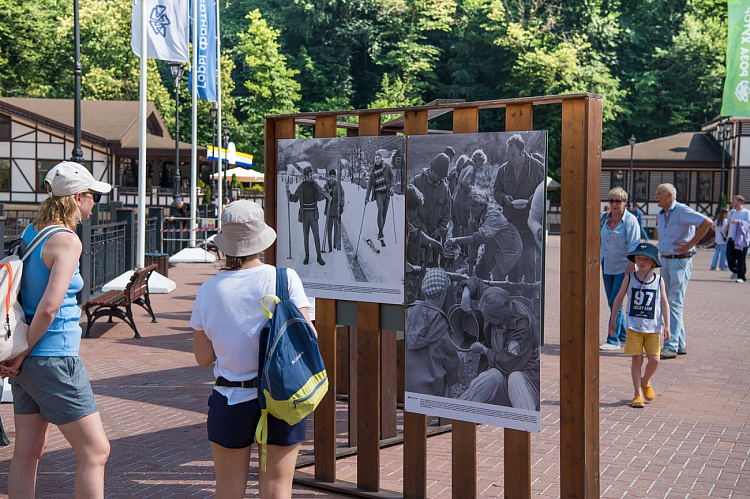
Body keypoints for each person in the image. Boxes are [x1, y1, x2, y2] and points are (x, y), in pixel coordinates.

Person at [0, 161, 111, 497]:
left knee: (28, 451)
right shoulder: (67, 240)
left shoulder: (32, 232)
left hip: (27, 358)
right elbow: (49, 308)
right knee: (95, 452)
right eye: (94, 197)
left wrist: (19, 357)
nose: (94, 203)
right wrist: (23, 356)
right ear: (78, 197)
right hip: (52, 356)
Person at [191, 200, 314, 498]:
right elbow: (309, 337)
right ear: (260, 238)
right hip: (282, 398)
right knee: (277, 490)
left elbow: (203, 358)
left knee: (229, 490)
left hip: (230, 397)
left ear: (225, 244)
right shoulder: (285, 279)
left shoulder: (209, 290)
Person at [608, 243, 670, 408]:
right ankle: (637, 394)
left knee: (655, 360)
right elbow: (619, 299)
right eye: (639, 258)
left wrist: (667, 325)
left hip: (653, 328)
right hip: (633, 327)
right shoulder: (629, 278)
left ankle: (645, 381)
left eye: (646, 259)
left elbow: (664, 303)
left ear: (654, 263)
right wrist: (613, 320)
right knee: (637, 359)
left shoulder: (659, 281)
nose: (642, 262)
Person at [458, 287, 540, 411]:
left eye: (487, 317)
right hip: (502, 379)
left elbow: (509, 362)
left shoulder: (522, 326)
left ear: (499, 318)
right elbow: (478, 283)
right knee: (492, 375)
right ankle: (460, 411)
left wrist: (483, 350)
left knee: (515, 378)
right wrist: (466, 293)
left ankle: (524, 423)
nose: (485, 319)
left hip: (525, 382)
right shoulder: (498, 299)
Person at [655, 183, 712, 359]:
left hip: (680, 263)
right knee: (669, 302)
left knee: (674, 302)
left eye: (659, 194)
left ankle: (671, 346)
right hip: (666, 262)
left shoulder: (681, 210)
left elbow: (707, 222)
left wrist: (690, 244)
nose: (655, 196)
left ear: (669, 196)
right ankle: (680, 343)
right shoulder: (661, 213)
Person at [493, 134, 545, 282]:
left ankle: (529, 295)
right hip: (510, 224)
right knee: (511, 262)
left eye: (514, 155)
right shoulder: (503, 170)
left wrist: (534, 198)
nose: (510, 159)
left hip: (529, 223)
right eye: (508, 155)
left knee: (529, 262)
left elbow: (545, 190)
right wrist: (504, 198)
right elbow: (496, 190)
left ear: (523, 151)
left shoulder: (536, 167)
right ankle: (512, 294)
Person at [405, 268, 460, 397]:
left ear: (423, 291)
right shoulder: (442, 328)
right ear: (443, 294)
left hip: (403, 386)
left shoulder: (406, 314)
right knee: (447, 384)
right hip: (430, 394)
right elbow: (453, 372)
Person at [446, 189, 521, 281]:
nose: (471, 209)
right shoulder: (473, 217)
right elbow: (473, 245)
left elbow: (481, 237)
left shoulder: (493, 214)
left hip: (509, 245)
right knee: (480, 270)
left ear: (483, 205)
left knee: (499, 276)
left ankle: (505, 291)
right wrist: (469, 274)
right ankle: (487, 289)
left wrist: (457, 240)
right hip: (493, 245)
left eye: (474, 206)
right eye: (469, 205)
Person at [599, 187, 640, 351]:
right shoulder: (603, 218)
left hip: (624, 267)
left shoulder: (630, 221)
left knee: (616, 300)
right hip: (606, 264)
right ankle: (623, 335)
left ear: (625, 202)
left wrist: (631, 265)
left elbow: (635, 244)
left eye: (618, 201)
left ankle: (613, 339)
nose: (614, 204)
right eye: (611, 201)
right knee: (611, 301)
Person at [411, 153, 452, 265]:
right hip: (417, 238)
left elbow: (447, 215)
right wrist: (420, 227)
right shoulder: (417, 182)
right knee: (415, 269)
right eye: (439, 175)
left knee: (432, 269)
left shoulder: (445, 189)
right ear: (431, 169)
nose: (441, 179)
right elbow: (409, 210)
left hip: (435, 240)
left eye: (443, 176)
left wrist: (440, 229)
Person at [286, 165, 330, 266]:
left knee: (316, 235)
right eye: (310, 175)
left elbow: (319, 197)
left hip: (313, 214)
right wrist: (288, 193)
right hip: (304, 214)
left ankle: (319, 256)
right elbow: (294, 198)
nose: (312, 177)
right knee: (306, 236)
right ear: (305, 176)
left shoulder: (315, 185)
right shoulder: (301, 187)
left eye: (312, 175)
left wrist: (324, 193)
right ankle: (307, 256)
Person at [364, 150, 395, 246]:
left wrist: (392, 187)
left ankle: (380, 231)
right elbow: (369, 185)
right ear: (374, 160)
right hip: (378, 193)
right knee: (380, 210)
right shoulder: (373, 171)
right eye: (375, 159)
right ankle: (381, 232)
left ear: (381, 159)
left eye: (378, 158)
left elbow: (392, 176)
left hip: (387, 193)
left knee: (384, 213)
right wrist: (366, 197)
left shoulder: (387, 167)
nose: (377, 160)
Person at [726, 195, 750, 283]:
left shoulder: (746, 212)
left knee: (741, 258)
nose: (732, 203)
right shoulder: (732, 212)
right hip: (731, 237)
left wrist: (739, 222)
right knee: (729, 256)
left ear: (739, 202)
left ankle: (741, 276)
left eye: (734, 201)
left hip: (741, 239)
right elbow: (728, 224)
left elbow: (749, 225)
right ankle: (736, 270)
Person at [323, 168, 345, 252]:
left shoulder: (338, 185)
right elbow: (322, 195)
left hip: (336, 210)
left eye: (333, 176)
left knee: (336, 230)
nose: (332, 178)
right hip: (328, 211)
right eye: (331, 176)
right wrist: (326, 193)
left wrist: (341, 205)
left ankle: (335, 247)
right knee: (329, 230)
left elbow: (342, 194)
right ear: (328, 177)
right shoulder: (326, 186)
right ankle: (330, 248)